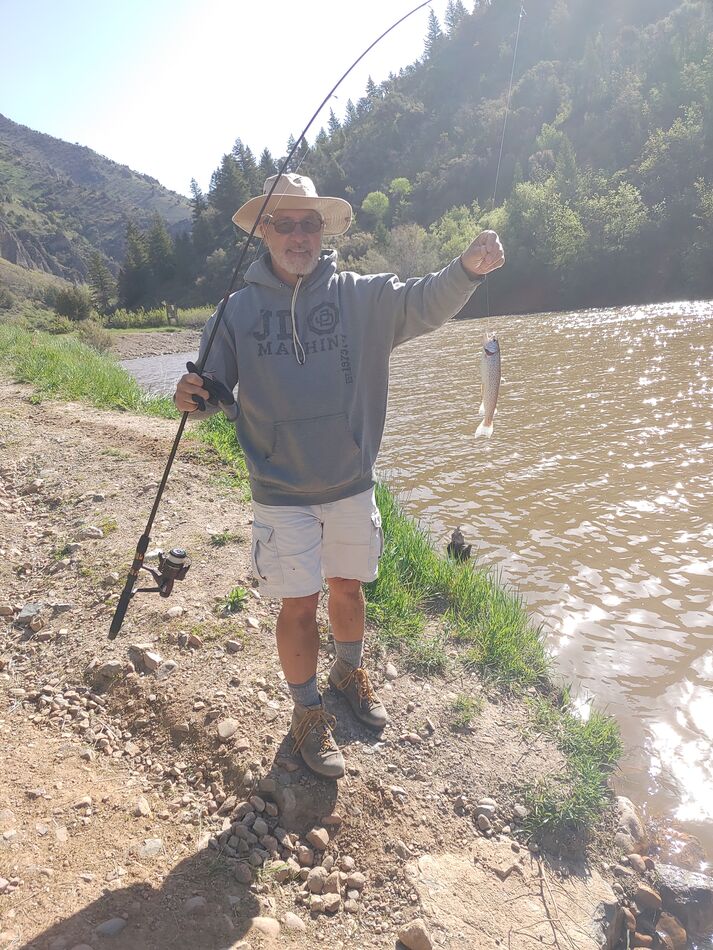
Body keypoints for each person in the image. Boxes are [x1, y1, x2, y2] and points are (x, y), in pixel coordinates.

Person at [174, 173, 504, 779]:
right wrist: (193, 396)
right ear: (265, 231)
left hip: (351, 481)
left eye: (309, 222)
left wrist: (468, 268)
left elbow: (425, 300)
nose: (298, 234)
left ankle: (349, 671)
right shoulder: (235, 312)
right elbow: (212, 390)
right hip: (279, 491)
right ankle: (306, 713)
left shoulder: (364, 297)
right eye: (285, 222)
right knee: (298, 605)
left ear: (323, 231)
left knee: (348, 591)